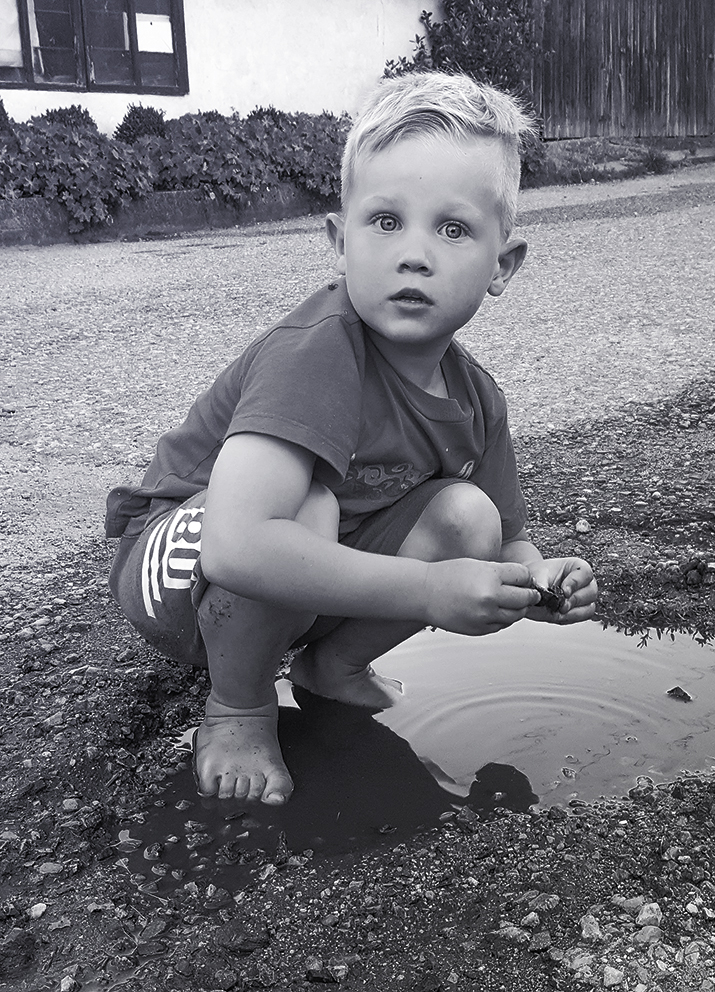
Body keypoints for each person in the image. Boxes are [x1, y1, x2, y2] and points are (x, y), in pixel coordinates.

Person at [105, 72, 598, 806]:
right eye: (386, 221)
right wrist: (429, 591)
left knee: (470, 519)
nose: (414, 254)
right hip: (179, 570)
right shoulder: (316, 353)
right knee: (306, 503)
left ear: (503, 264)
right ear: (340, 243)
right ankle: (237, 705)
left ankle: (331, 666)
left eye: (453, 229)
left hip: (296, 560)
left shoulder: (476, 397)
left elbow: (506, 543)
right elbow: (236, 544)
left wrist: (542, 579)